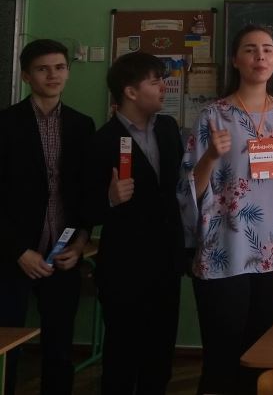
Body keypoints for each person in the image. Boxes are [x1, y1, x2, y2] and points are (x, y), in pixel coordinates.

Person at [187, 25, 273, 395]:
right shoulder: (213, 114)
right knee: (222, 359)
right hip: (224, 252)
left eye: (268, 49)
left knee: (262, 359)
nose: (260, 57)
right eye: (250, 49)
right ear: (235, 59)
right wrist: (211, 156)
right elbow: (190, 189)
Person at [0, 39, 95, 395]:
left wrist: (81, 243)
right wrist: (18, 251)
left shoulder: (82, 125)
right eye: (43, 69)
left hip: (62, 257)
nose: (53, 75)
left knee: (59, 349)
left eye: (59, 68)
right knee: (3, 350)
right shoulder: (0, 125)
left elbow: (85, 194)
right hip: (12, 256)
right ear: (26, 76)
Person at [83, 51, 189, 395]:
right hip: (124, 268)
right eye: (155, 82)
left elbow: (178, 191)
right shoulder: (103, 140)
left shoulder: (168, 128)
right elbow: (83, 208)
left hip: (167, 262)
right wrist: (109, 199)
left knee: (160, 355)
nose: (163, 88)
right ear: (130, 92)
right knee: (122, 356)